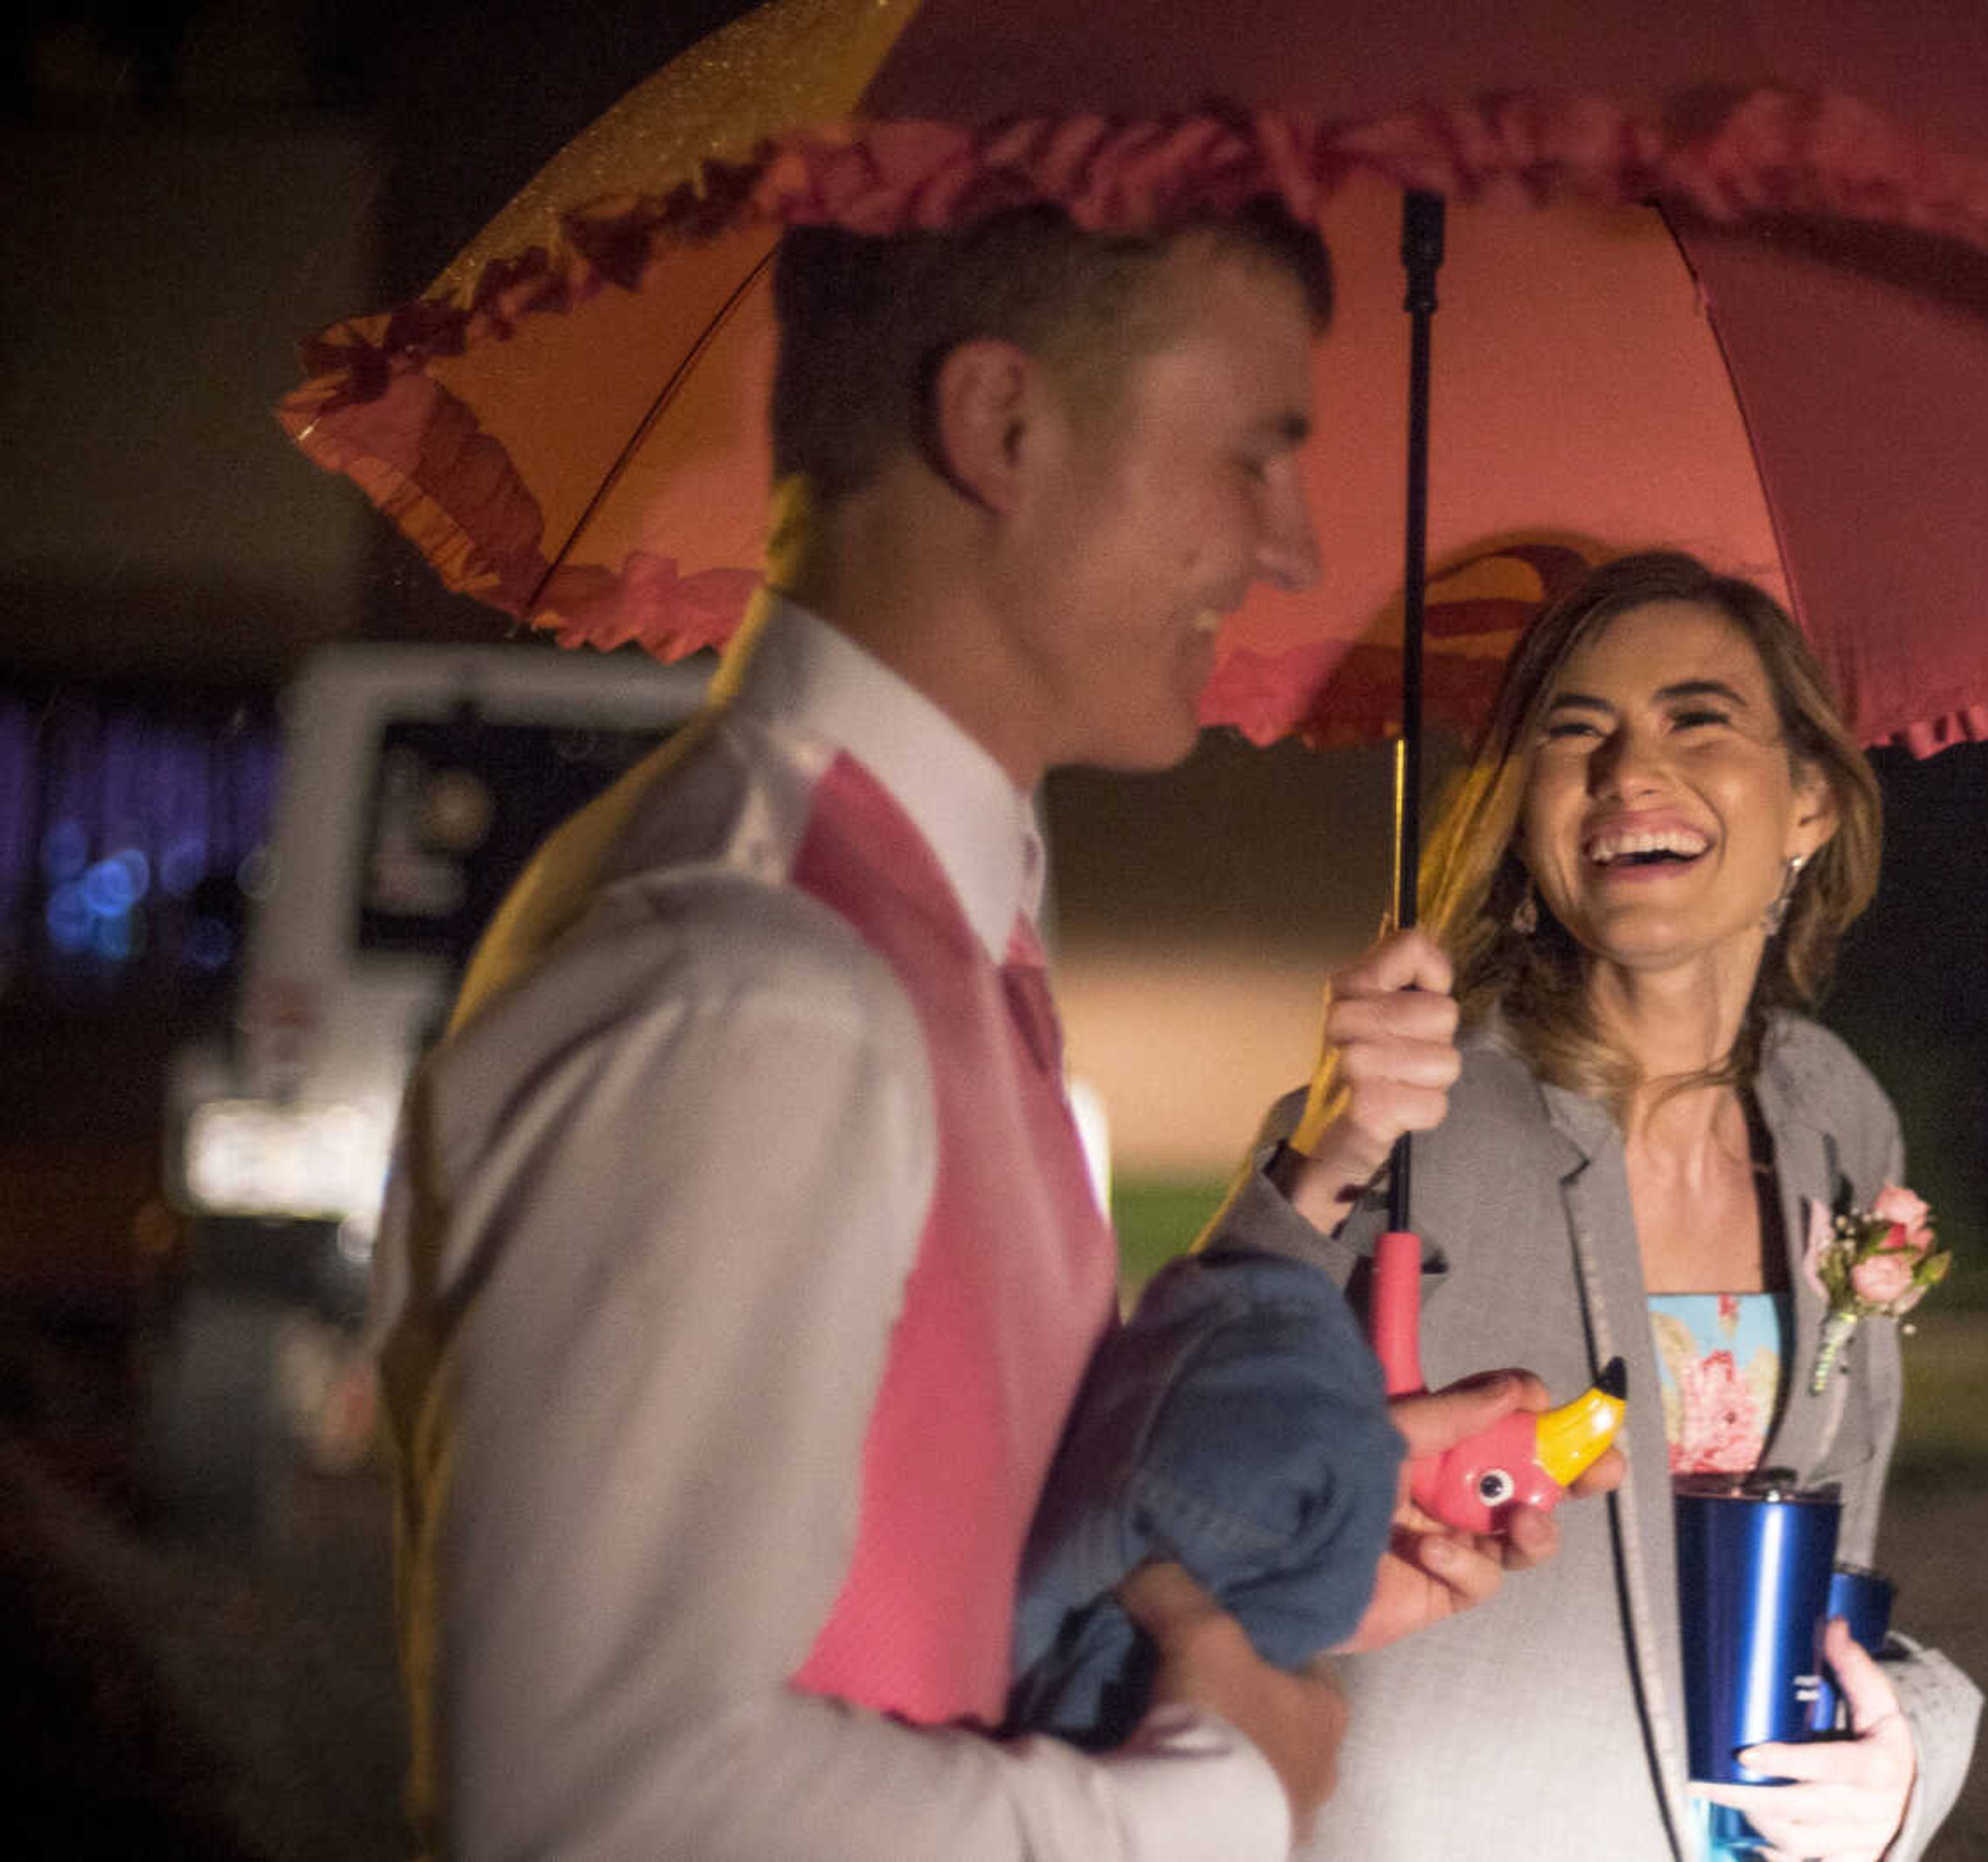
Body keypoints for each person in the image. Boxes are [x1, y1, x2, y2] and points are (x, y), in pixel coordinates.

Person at [369, 201, 1588, 1862]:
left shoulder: (937, 933)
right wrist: (1210, 1799)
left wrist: (1259, 1517)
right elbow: (597, 1806)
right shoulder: (757, 986)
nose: (1291, 548)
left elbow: (930, 1540)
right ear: (1001, 426)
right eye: (1249, 456)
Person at [1206, 549, 1983, 1860]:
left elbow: (1838, 1555)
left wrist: (1910, 1750)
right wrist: (1329, 1149)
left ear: (1807, 799)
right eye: (1576, 734)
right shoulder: (1406, 1112)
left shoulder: (1838, 1116)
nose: (1630, 774)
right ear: (1525, 808)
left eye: (1697, 718)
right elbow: (1184, 1478)